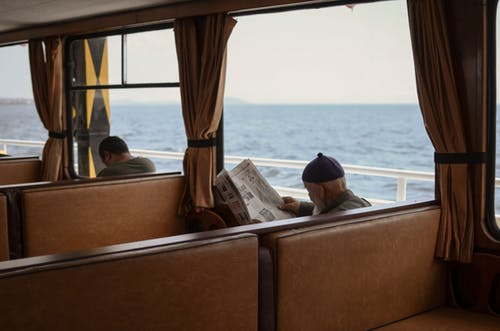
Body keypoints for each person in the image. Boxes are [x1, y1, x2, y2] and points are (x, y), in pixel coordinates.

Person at [280, 152, 371, 216]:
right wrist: (300, 207)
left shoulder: (331, 222)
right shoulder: (362, 204)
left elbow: (327, 216)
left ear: (320, 190)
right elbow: (330, 209)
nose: (310, 196)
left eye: (309, 190)